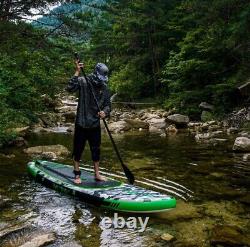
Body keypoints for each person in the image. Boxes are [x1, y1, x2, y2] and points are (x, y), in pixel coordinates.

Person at [66, 60, 111, 184]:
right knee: (78, 150)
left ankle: (97, 174)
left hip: (95, 124)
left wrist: (105, 113)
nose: (102, 80)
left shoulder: (105, 87)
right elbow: (69, 88)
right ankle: (77, 174)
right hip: (81, 122)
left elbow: (108, 105)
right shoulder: (83, 81)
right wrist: (77, 71)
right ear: (96, 73)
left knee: (96, 150)